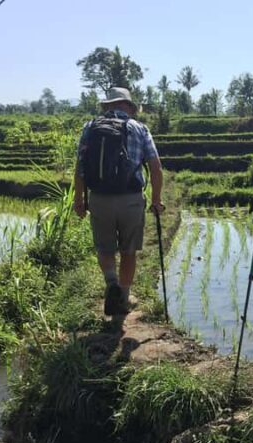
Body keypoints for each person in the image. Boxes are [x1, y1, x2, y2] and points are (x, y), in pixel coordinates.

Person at [74, 87, 164, 316]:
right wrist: (156, 199)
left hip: (99, 199)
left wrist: (79, 200)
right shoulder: (139, 128)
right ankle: (123, 297)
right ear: (129, 107)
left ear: (107, 106)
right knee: (128, 250)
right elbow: (155, 166)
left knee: (104, 248)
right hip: (131, 200)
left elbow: (80, 167)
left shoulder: (90, 127)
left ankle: (111, 282)